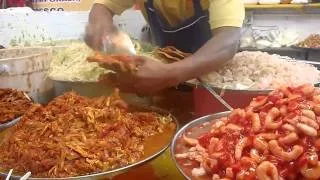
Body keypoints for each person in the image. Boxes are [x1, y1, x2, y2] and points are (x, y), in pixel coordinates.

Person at [85, 0, 244, 94]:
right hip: (158, 74)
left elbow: (228, 39)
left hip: (210, 82)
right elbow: (101, 7)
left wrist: (171, 74)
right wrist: (101, 26)